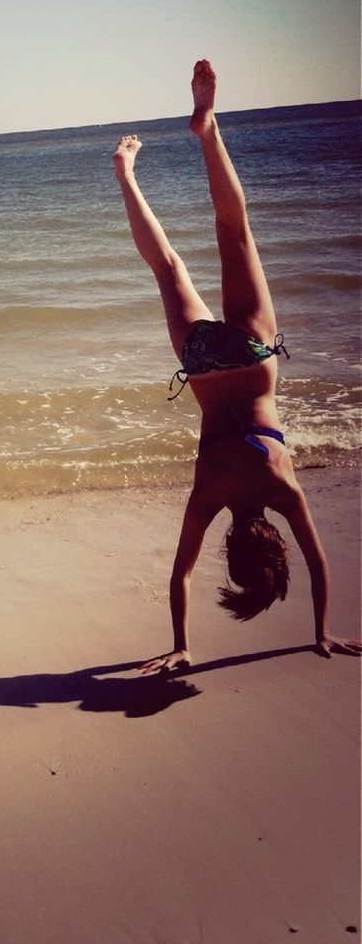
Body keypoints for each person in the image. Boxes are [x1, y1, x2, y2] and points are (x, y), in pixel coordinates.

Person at [112, 61, 360, 675]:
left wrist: (322, 628)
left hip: (251, 361)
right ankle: (124, 173)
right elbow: (181, 574)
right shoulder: (210, 496)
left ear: (272, 543)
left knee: (233, 233)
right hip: (202, 369)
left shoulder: (283, 487)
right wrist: (182, 644)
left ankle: (208, 130)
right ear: (234, 549)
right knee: (167, 266)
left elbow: (321, 565)